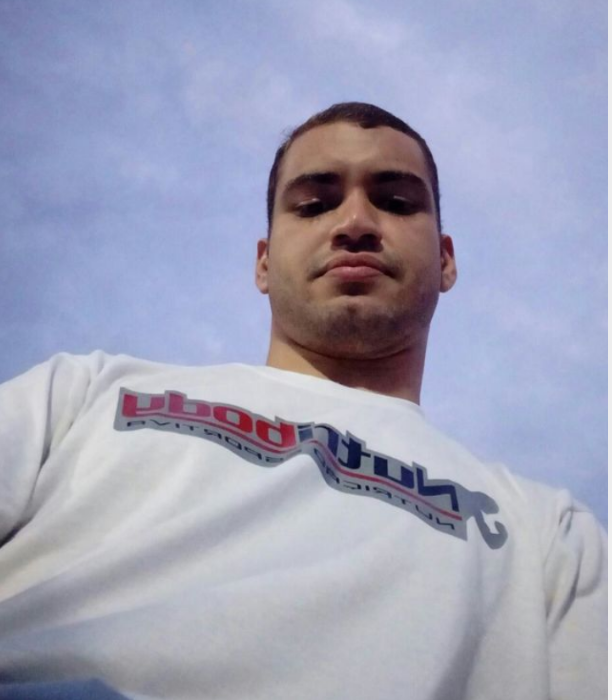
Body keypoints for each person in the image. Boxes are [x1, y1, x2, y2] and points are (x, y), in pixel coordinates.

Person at [0, 102, 606, 700]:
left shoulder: (547, 537)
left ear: (446, 261)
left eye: (397, 202)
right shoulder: (82, 396)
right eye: (315, 205)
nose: (355, 223)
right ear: (263, 262)